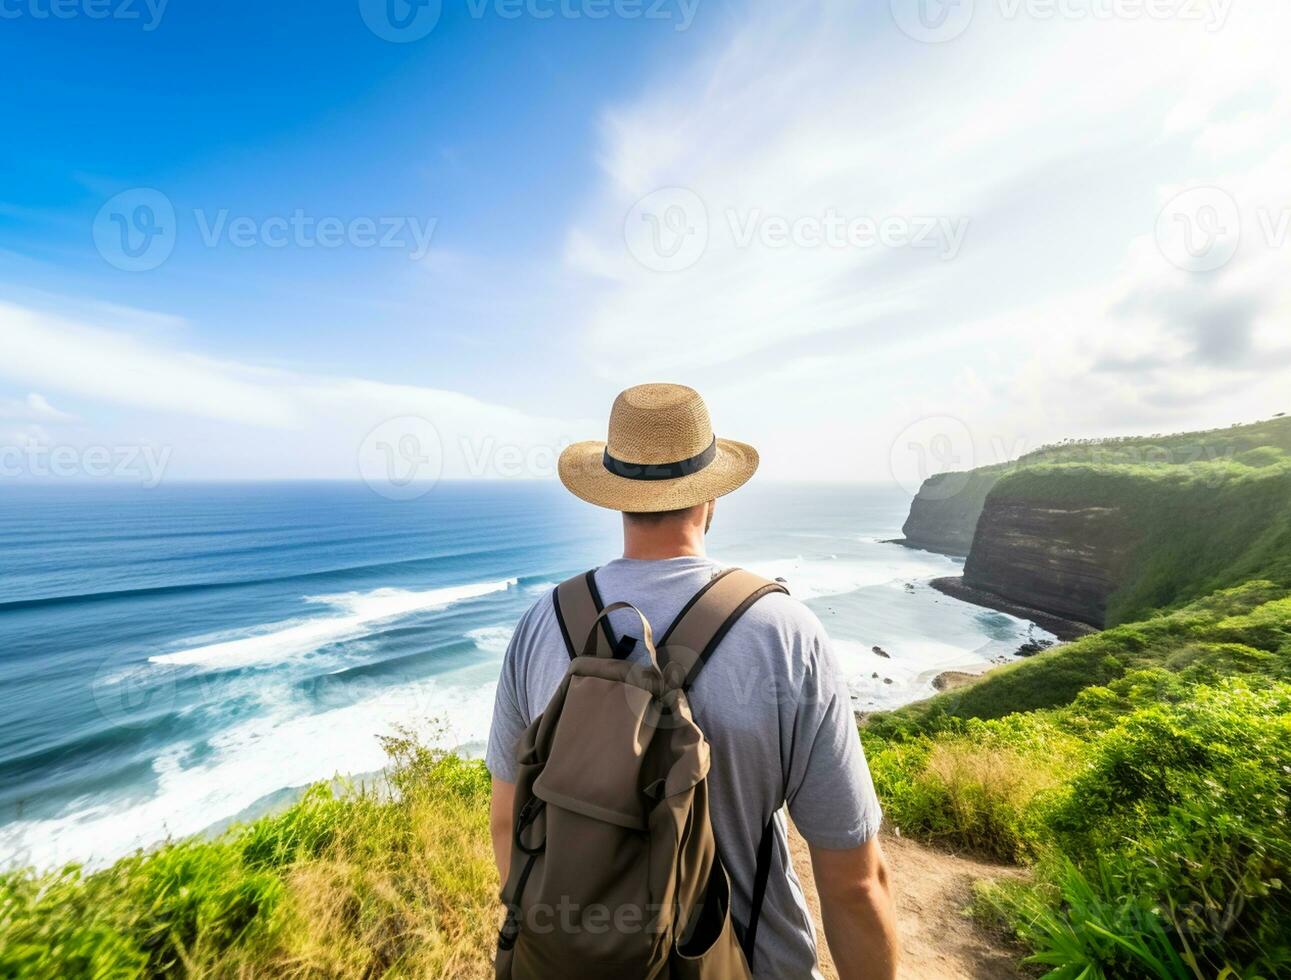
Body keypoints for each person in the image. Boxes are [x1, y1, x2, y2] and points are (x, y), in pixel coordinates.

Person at [485, 383, 899, 979]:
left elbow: (509, 820)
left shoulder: (541, 624)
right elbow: (855, 881)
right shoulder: (785, 633)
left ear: (614, 497)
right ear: (712, 498)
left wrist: (577, 944)